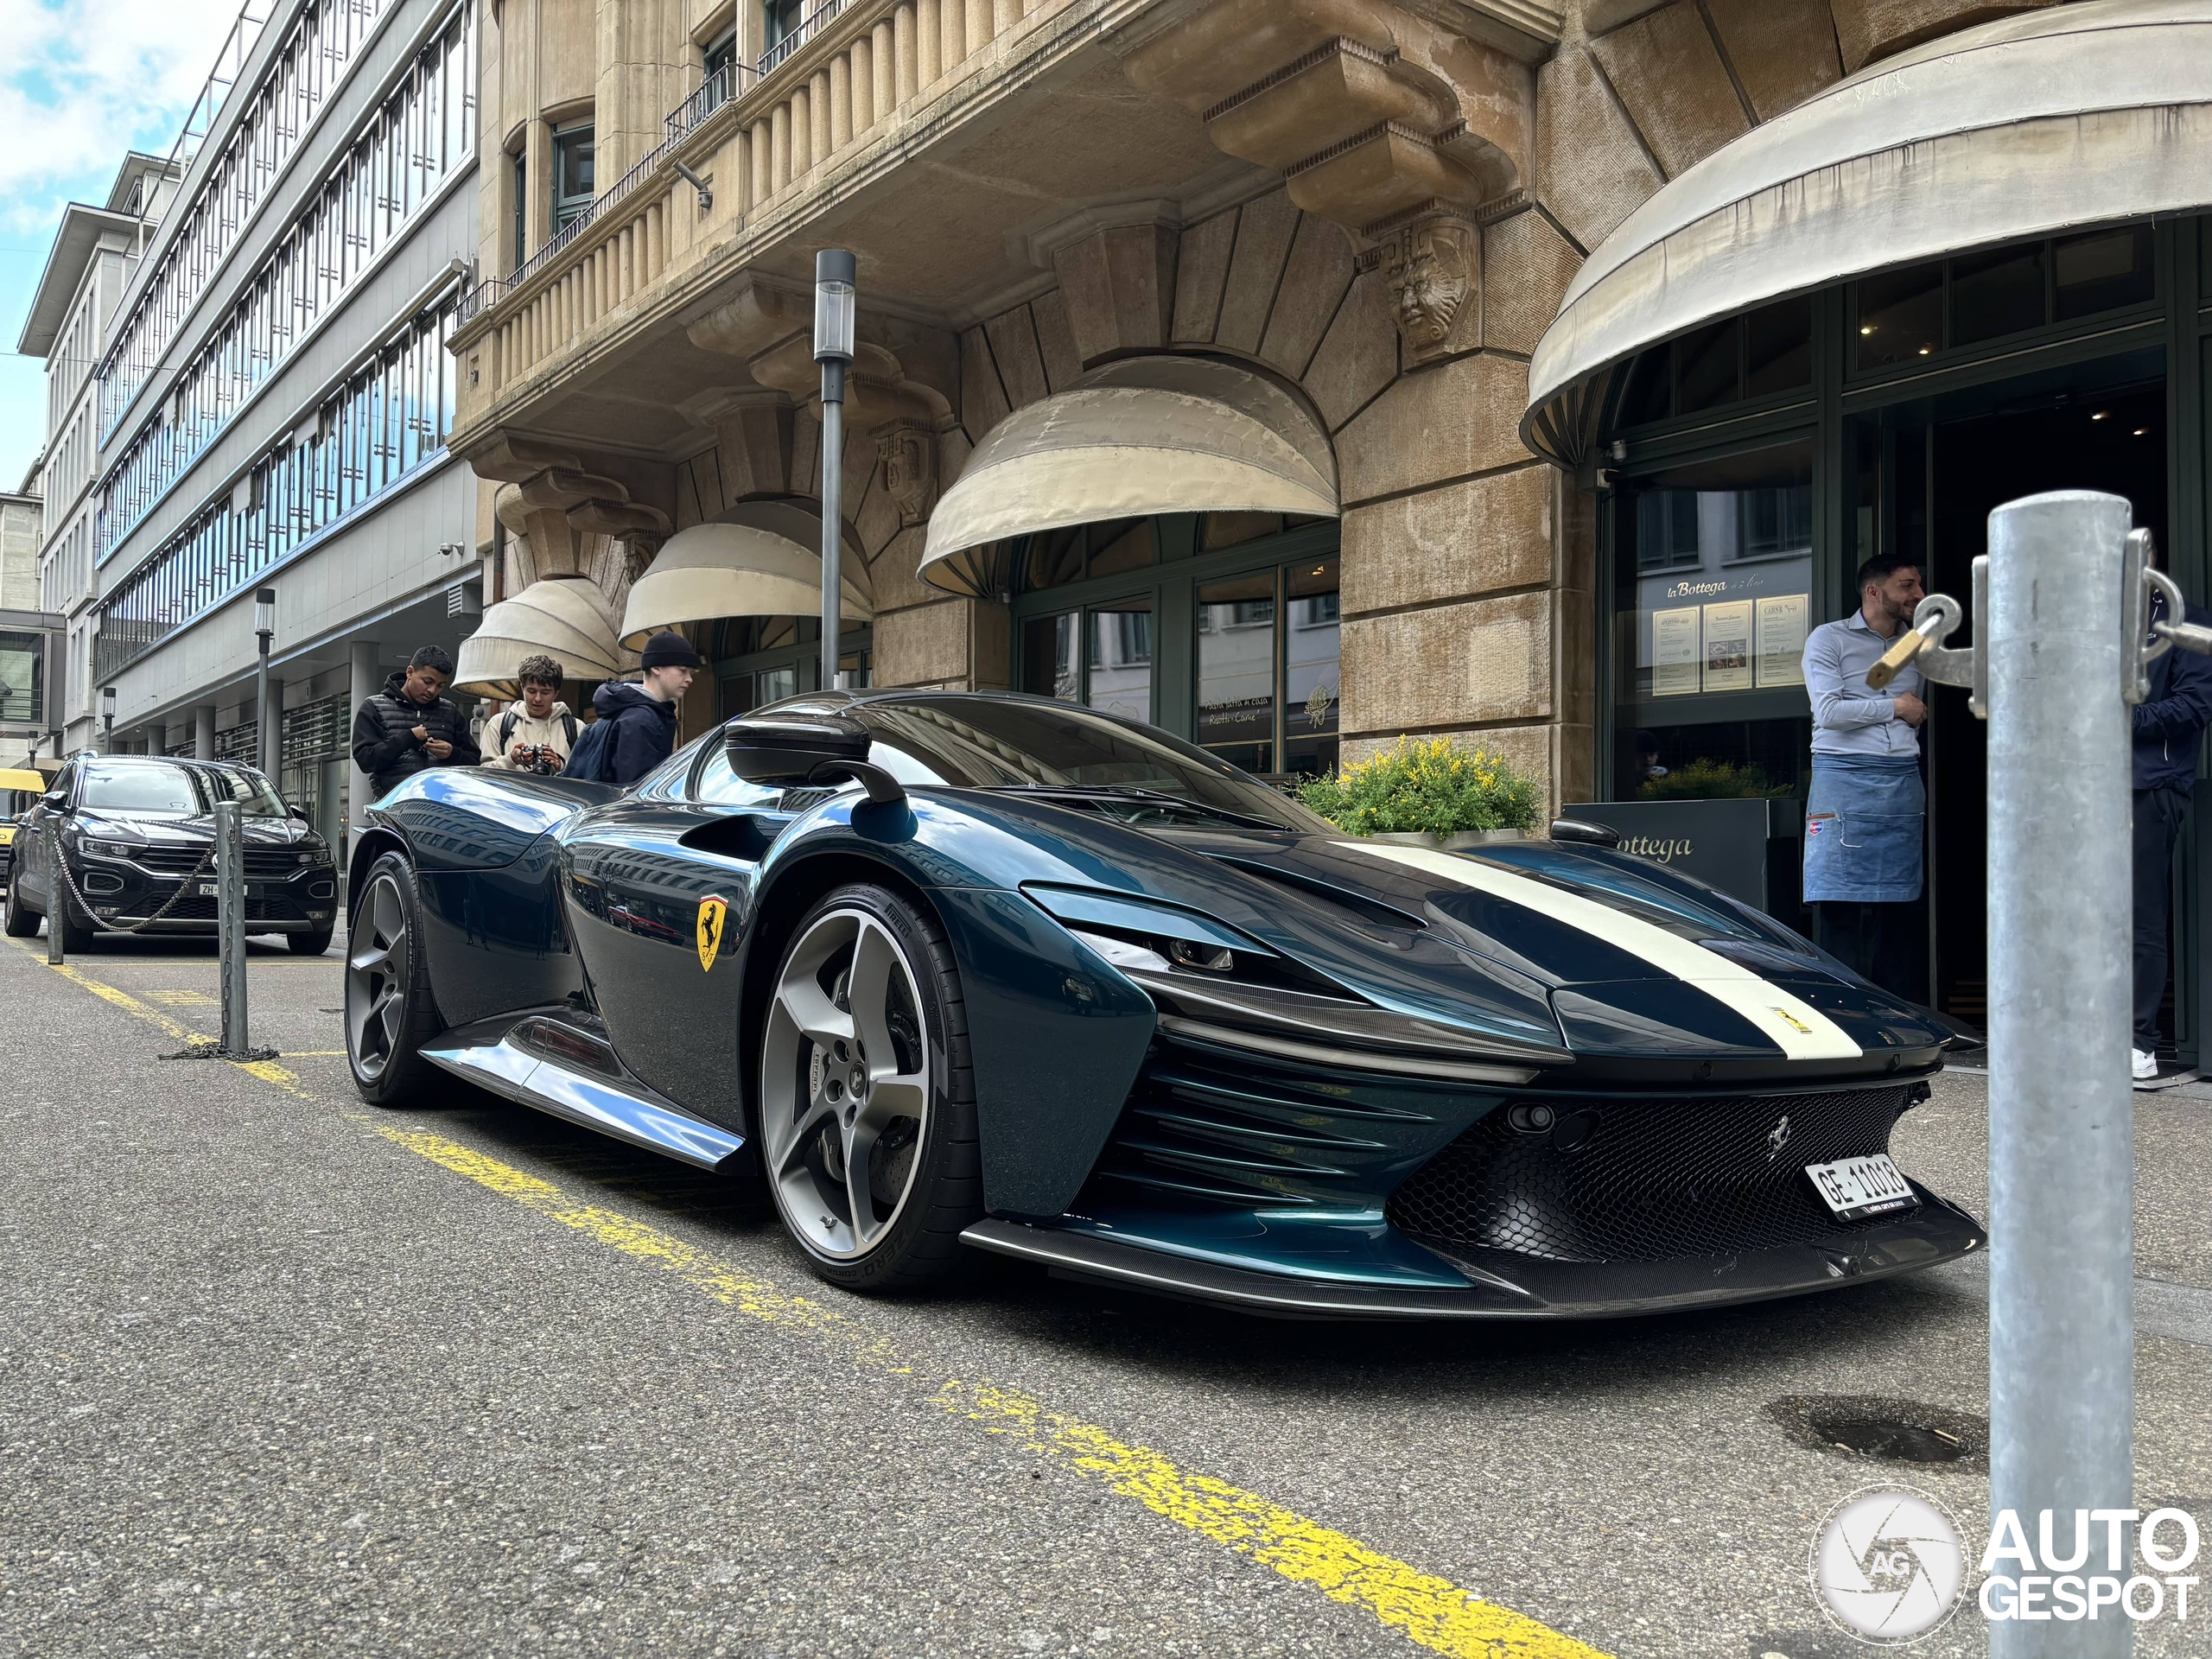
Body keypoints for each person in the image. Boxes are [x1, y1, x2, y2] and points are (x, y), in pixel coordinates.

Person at [1801, 554, 1928, 997]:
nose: (1919, 594)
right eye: (1907, 585)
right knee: (1841, 909)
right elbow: (1830, 712)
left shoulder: (1914, 644)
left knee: (1900, 910)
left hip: (1901, 780)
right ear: (1874, 592)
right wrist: (1896, 707)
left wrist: (1898, 711)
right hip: (1843, 778)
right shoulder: (1829, 639)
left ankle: (1899, 1019)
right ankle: (1844, 1014)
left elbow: (1918, 706)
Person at [2131, 563, 2212, 1080]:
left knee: (2139, 919)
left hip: (2149, 787)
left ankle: (2138, 1044)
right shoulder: (2087, 626)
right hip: (2074, 790)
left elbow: (2196, 705)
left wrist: (2117, 714)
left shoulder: (2187, 624)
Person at [351, 645, 480, 801]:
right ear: (410, 672)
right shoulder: (374, 707)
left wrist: (452, 753)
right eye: (427, 681)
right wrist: (407, 738)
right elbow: (366, 760)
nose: (432, 690)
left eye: (440, 685)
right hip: (394, 806)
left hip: (443, 807)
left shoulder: (450, 711)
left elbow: (475, 762)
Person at [592, 631, 700, 786]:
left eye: (691, 672)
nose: (689, 678)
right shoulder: (640, 720)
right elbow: (635, 792)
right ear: (656, 668)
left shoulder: (646, 711)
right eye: (682, 670)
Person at [480, 654, 578, 774]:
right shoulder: (498, 724)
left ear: (556, 693)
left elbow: (589, 777)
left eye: (545, 692)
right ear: (522, 688)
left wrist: (561, 766)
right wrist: (511, 759)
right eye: (531, 691)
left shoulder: (576, 728)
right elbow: (484, 773)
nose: (537, 699)